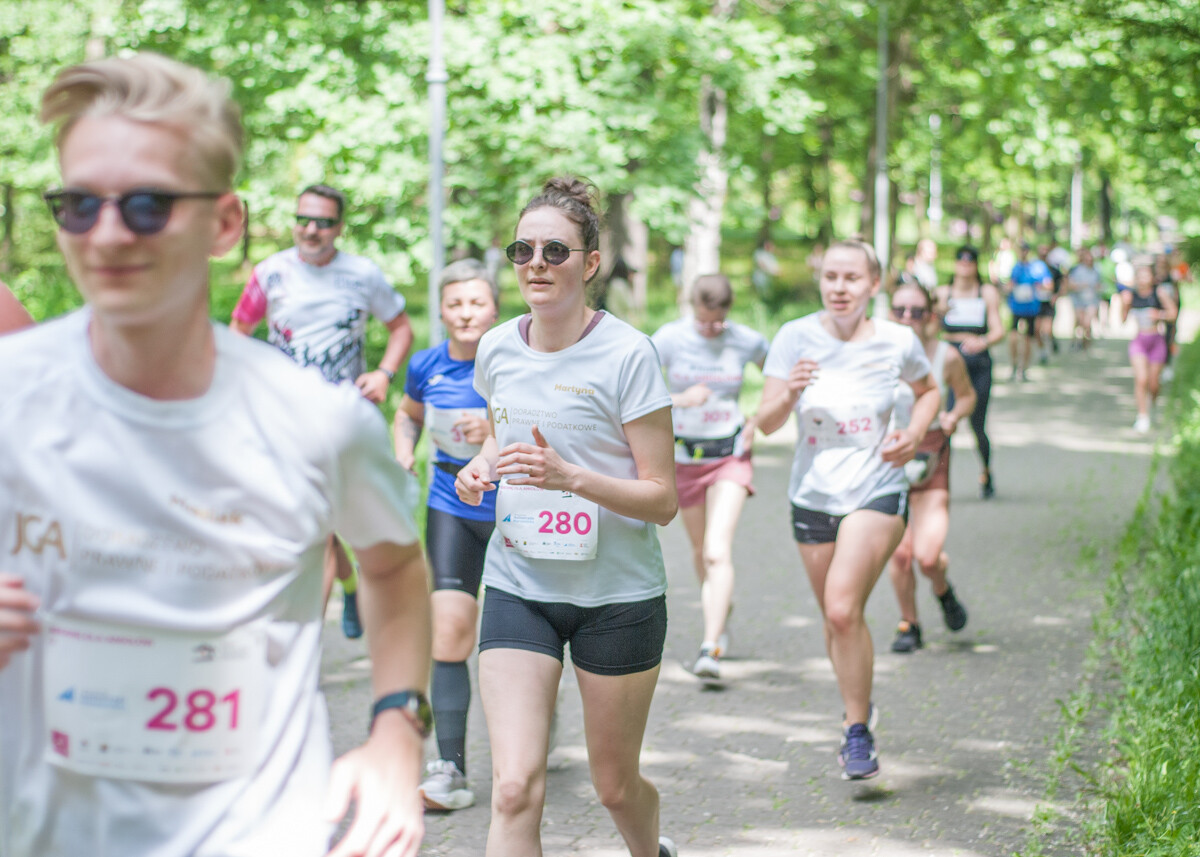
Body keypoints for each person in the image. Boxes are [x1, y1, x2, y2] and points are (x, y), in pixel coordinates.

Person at [0, 52, 430, 857]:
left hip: (259, 832)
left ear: (226, 223)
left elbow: (395, 567)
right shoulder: (10, 392)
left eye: (149, 204)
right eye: (78, 205)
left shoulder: (320, 423)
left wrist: (397, 726)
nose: (110, 233)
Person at [455, 176, 679, 857]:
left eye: (555, 250)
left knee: (613, 785)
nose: (536, 264)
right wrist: (483, 464)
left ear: (590, 262)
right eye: (522, 249)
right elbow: (507, 429)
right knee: (515, 786)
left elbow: (663, 497)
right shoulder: (497, 346)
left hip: (617, 596)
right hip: (520, 585)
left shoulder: (627, 355)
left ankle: (651, 851)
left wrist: (571, 478)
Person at [757, 239, 939, 780]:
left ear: (873, 285)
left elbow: (928, 392)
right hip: (812, 495)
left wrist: (914, 434)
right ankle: (856, 703)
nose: (839, 287)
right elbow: (764, 422)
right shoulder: (794, 337)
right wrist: (788, 394)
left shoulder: (897, 340)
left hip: (877, 487)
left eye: (851, 278)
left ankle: (856, 731)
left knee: (841, 608)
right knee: (838, 619)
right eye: (831, 277)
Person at [230, 183, 414, 639]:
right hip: (284, 418)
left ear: (339, 227)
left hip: (342, 418)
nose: (311, 230)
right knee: (312, 519)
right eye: (304, 219)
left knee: (326, 518)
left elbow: (401, 328)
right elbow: (240, 327)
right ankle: (319, 618)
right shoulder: (270, 273)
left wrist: (385, 374)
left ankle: (333, 602)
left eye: (324, 222)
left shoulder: (363, 274)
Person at [392, 259, 498, 811]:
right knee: (451, 633)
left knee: (516, 642)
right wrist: (404, 449)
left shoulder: (516, 362)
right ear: (441, 309)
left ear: (495, 306)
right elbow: (407, 414)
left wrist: (496, 429)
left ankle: (534, 729)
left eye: (476, 302)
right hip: (450, 505)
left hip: (515, 512)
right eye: (455, 303)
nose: (465, 313)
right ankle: (450, 769)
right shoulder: (425, 364)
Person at [651, 273, 768, 681]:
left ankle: (710, 645)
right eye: (704, 322)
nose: (711, 329)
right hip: (684, 458)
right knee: (701, 552)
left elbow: (778, 377)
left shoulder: (746, 339)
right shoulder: (669, 339)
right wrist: (681, 399)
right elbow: (633, 391)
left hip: (730, 455)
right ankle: (720, 606)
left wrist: (758, 418)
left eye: (718, 322)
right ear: (692, 308)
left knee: (718, 551)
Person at [885, 283, 973, 652]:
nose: (908, 318)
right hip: (887, 457)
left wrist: (953, 415)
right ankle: (910, 623)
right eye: (900, 310)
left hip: (931, 454)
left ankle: (942, 588)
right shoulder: (875, 352)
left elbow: (968, 395)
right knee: (900, 553)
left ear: (930, 316)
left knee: (927, 555)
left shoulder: (947, 356)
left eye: (916, 311)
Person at [937, 245, 1004, 498]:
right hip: (951, 362)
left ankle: (986, 471)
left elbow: (998, 330)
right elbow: (928, 328)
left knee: (978, 425)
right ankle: (939, 481)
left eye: (970, 261)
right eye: (960, 260)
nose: (965, 265)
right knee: (947, 422)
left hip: (978, 362)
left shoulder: (986, 292)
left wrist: (982, 342)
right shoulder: (943, 293)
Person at [1121, 260, 1178, 433]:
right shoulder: (1130, 295)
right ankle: (1142, 416)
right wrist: (1124, 305)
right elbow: (1122, 320)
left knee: (1153, 384)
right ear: (1136, 278)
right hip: (1139, 341)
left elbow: (1173, 314)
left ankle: (1152, 403)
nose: (1143, 278)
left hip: (1156, 342)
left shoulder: (1158, 293)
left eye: (1146, 274)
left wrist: (1158, 314)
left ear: (1152, 278)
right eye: (1140, 275)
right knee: (1141, 379)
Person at [1005, 242, 1051, 381]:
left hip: (1031, 308)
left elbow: (1048, 285)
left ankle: (1024, 368)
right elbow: (1010, 284)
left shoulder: (1036, 267)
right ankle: (1014, 365)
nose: (1023, 253)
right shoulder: (1016, 268)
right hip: (1016, 307)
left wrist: (1040, 286)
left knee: (1027, 339)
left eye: (1025, 250)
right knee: (1013, 337)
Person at [1066, 247, 1102, 351]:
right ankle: (1077, 340)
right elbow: (1070, 285)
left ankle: (1086, 342)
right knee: (1079, 321)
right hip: (1079, 300)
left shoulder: (1096, 270)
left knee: (1087, 322)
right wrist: (1081, 286)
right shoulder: (1076, 270)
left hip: (1092, 300)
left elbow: (1099, 284)